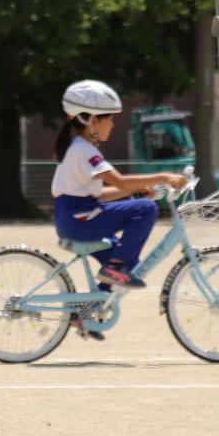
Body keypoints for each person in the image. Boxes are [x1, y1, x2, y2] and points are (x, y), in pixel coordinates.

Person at [51, 81, 187, 323]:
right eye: (109, 119)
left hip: (76, 218)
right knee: (146, 210)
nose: (113, 125)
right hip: (79, 220)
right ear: (92, 120)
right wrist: (164, 176)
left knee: (125, 257)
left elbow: (97, 195)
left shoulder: (79, 148)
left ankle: (87, 311)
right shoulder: (86, 151)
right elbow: (120, 181)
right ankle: (113, 269)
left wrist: (133, 194)